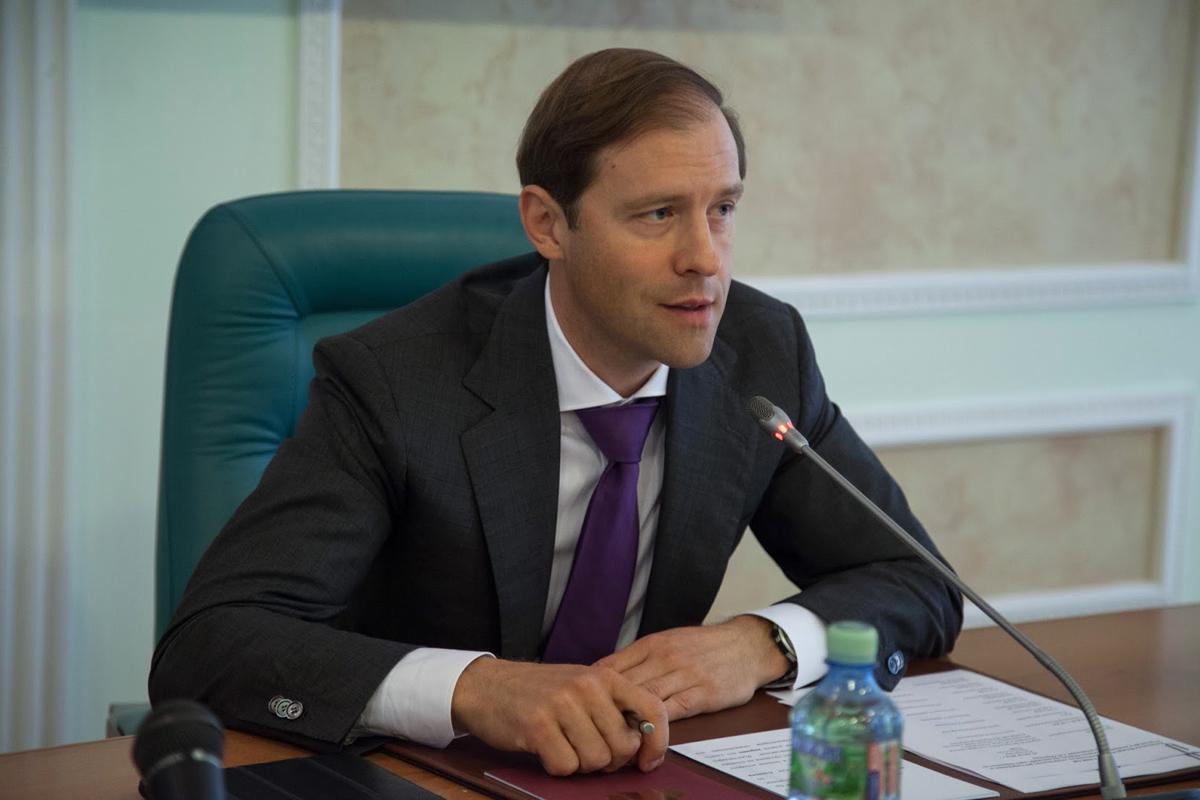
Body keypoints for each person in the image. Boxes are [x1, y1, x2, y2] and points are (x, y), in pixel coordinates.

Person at [148, 47, 962, 777]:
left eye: (722, 208)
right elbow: (212, 640)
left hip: (640, 771)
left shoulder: (760, 351)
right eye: (658, 214)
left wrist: (759, 644)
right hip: (422, 776)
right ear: (547, 224)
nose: (705, 259)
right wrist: (473, 688)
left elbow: (917, 581)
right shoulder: (394, 381)